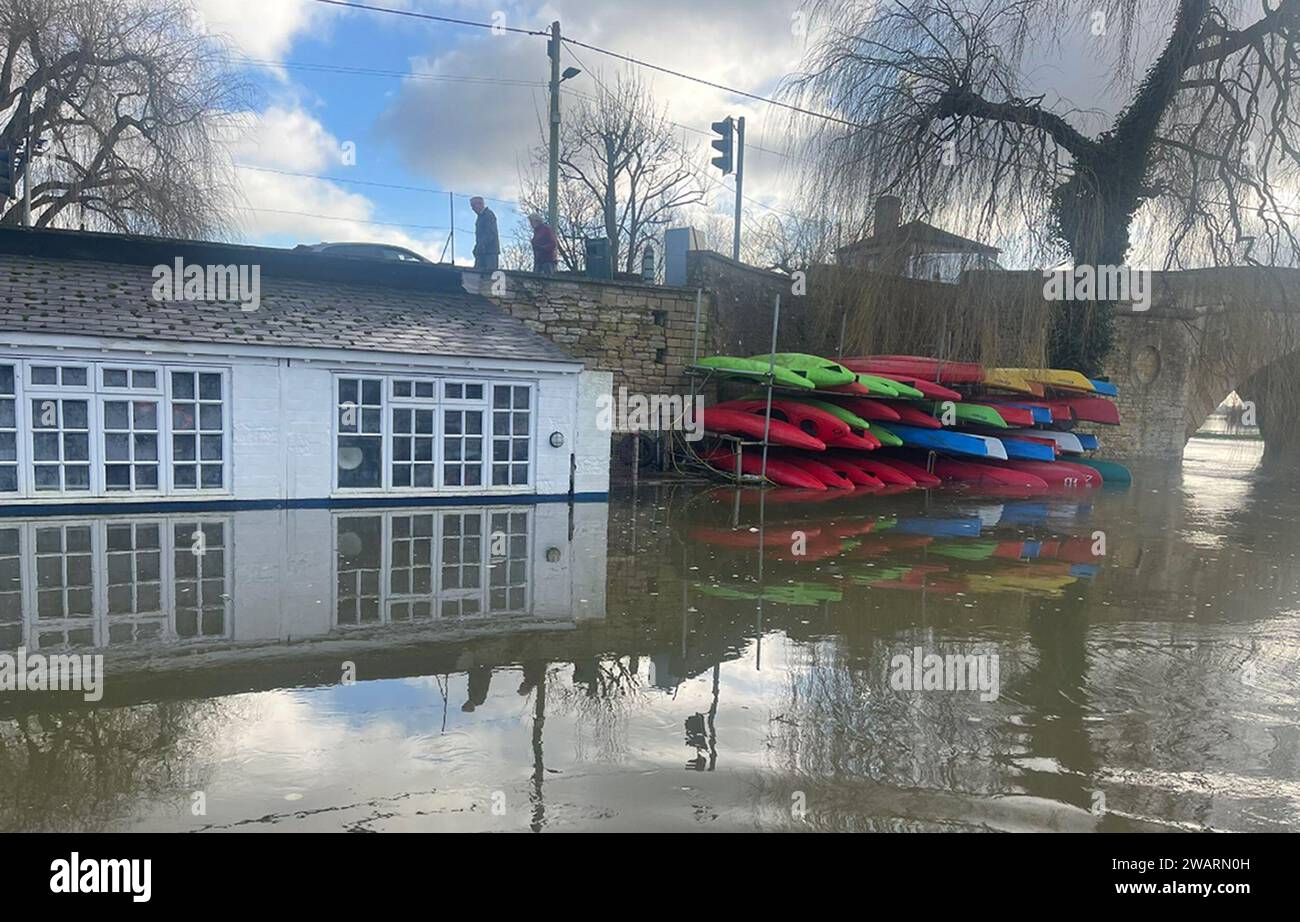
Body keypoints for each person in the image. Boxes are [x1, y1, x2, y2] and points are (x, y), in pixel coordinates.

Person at [470, 196, 499, 272]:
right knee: (478, 274)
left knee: (489, 275)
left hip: (489, 252)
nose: (472, 209)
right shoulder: (481, 217)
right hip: (483, 251)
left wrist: (480, 245)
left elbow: (490, 233)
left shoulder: (488, 215)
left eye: (473, 206)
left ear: (479, 204)